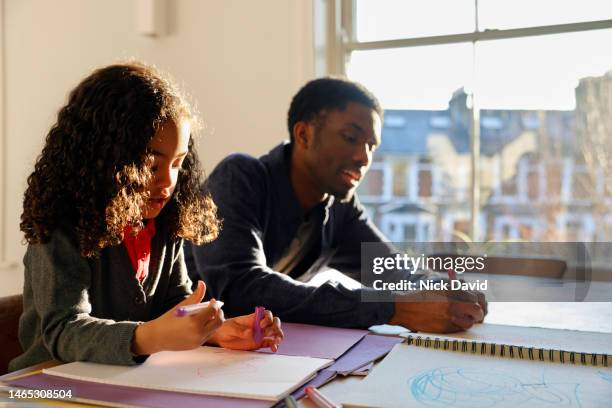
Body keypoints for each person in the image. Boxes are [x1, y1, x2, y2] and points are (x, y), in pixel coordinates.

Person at [9, 62, 282, 372]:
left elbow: (173, 304)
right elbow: (63, 331)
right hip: (43, 386)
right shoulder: (62, 224)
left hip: (125, 384)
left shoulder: (164, 220)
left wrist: (215, 330)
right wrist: (149, 335)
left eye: (178, 163)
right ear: (104, 159)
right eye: (152, 165)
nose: (167, 182)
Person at [186, 77, 486, 332]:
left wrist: (443, 288)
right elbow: (240, 288)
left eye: (371, 146)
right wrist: (393, 308)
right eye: (351, 137)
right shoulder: (240, 177)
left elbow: (390, 269)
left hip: (255, 352)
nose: (364, 158)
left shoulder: (339, 207)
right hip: (181, 350)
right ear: (303, 134)